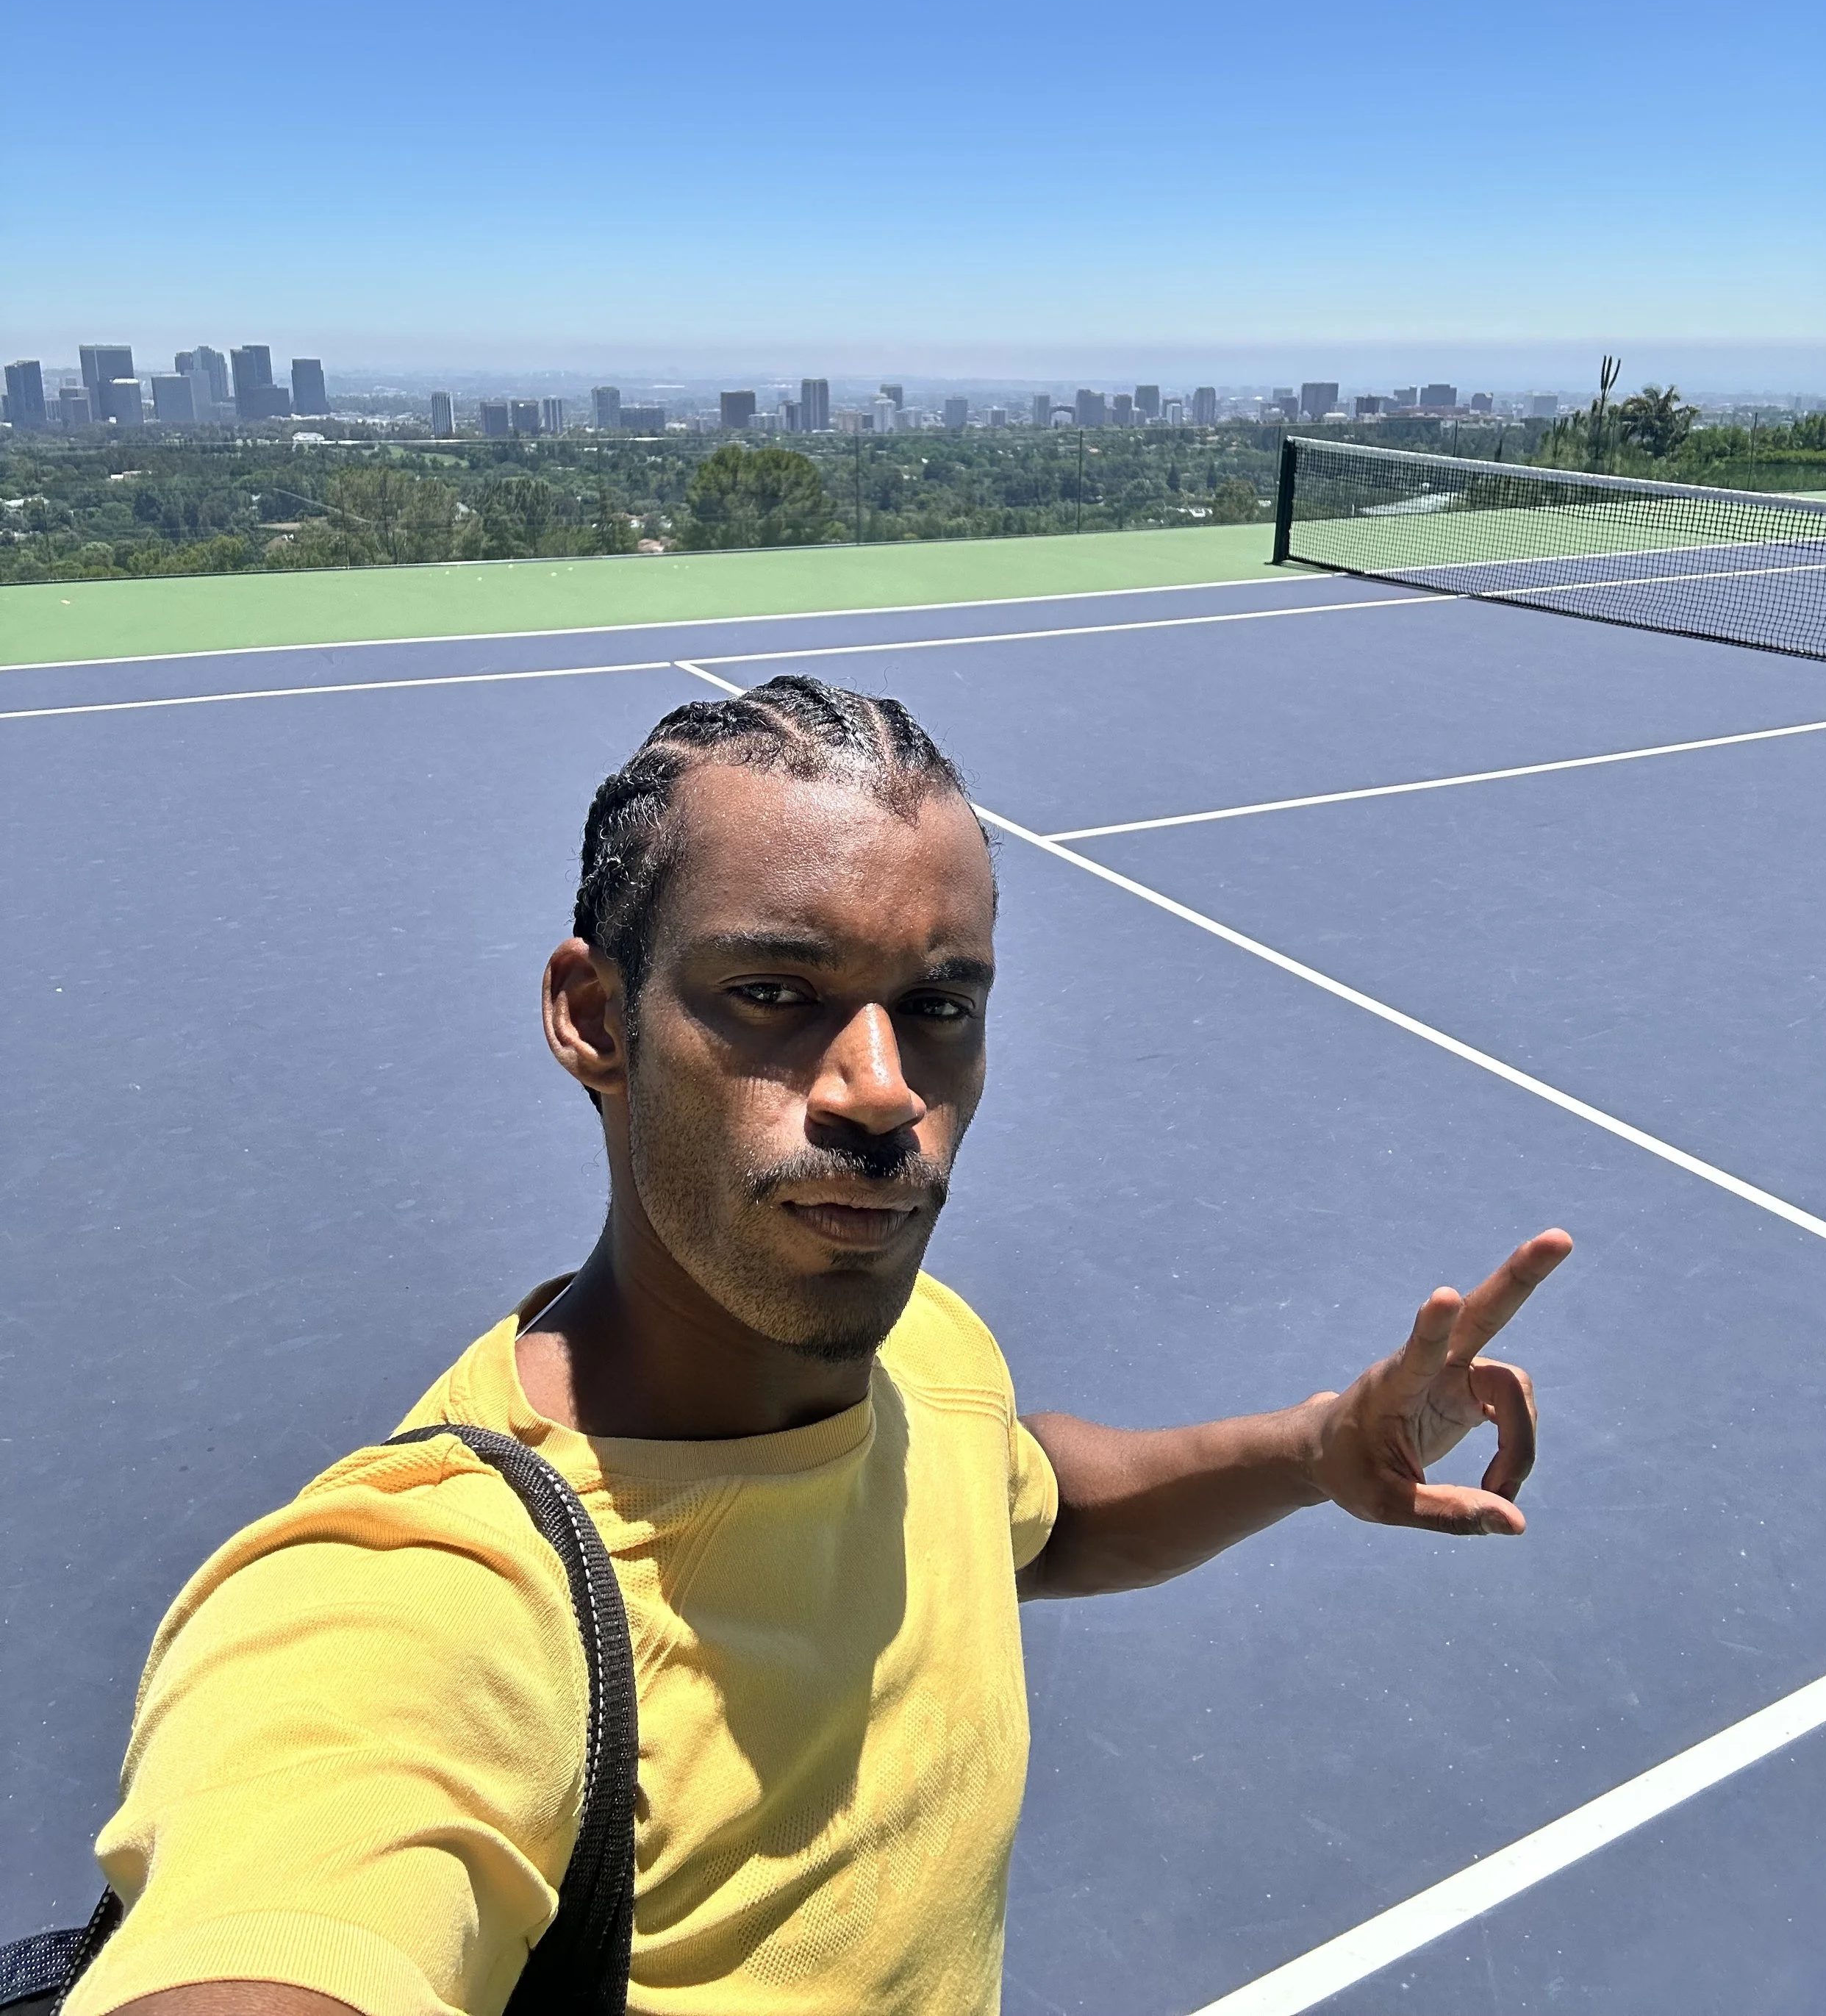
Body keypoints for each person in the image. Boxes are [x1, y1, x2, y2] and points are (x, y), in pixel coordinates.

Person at [68, 676, 1570, 2016]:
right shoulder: (425, 1603)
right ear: (595, 1015)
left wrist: (1309, 1450)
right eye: (773, 995)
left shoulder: (922, 1350)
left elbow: (1021, 1504)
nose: (876, 1089)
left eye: (936, 1007)